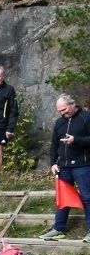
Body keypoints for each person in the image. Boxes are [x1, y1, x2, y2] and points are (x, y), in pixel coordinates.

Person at [40, 93, 90, 242]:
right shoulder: (59, 122)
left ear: (73, 104)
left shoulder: (86, 118)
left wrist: (76, 140)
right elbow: (54, 144)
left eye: (64, 109)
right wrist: (53, 163)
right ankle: (58, 229)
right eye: (60, 111)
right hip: (63, 167)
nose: (63, 113)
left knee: (87, 198)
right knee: (62, 198)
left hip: (83, 165)